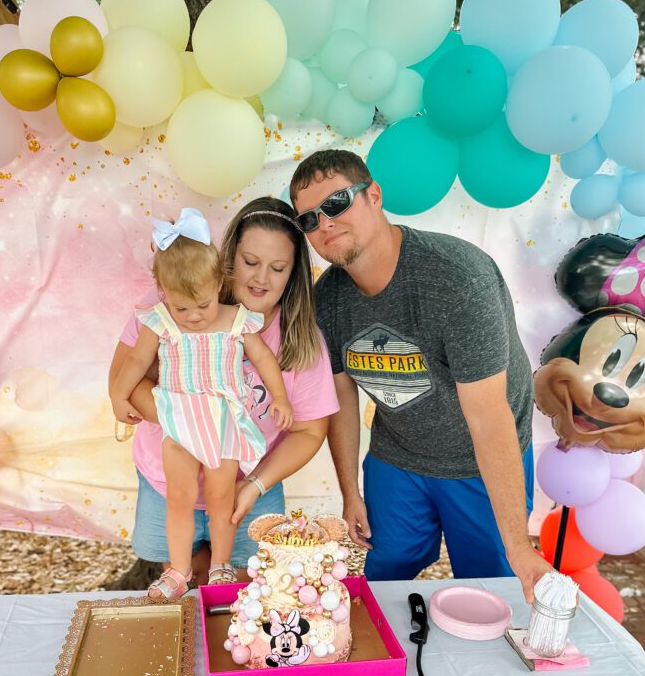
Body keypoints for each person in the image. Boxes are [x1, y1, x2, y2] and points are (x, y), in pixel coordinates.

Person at [290, 149, 552, 603]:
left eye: (335, 204)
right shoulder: (327, 298)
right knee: (383, 578)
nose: (324, 224)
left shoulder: (456, 277)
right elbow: (342, 399)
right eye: (309, 220)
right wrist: (350, 492)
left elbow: (489, 416)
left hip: (477, 460)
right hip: (398, 457)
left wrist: (518, 544)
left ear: (374, 194)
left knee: (495, 586)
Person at [109, 197, 339, 588]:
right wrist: (190, 419)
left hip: (246, 478)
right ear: (227, 261)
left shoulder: (295, 338)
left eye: (278, 268)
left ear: (293, 275)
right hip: (169, 476)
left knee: (244, 583)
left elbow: (310, 431)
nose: (261, 278)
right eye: (250, 262)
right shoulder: (174, 303)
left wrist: (254, 485)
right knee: (181, 575)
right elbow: (125, 377)